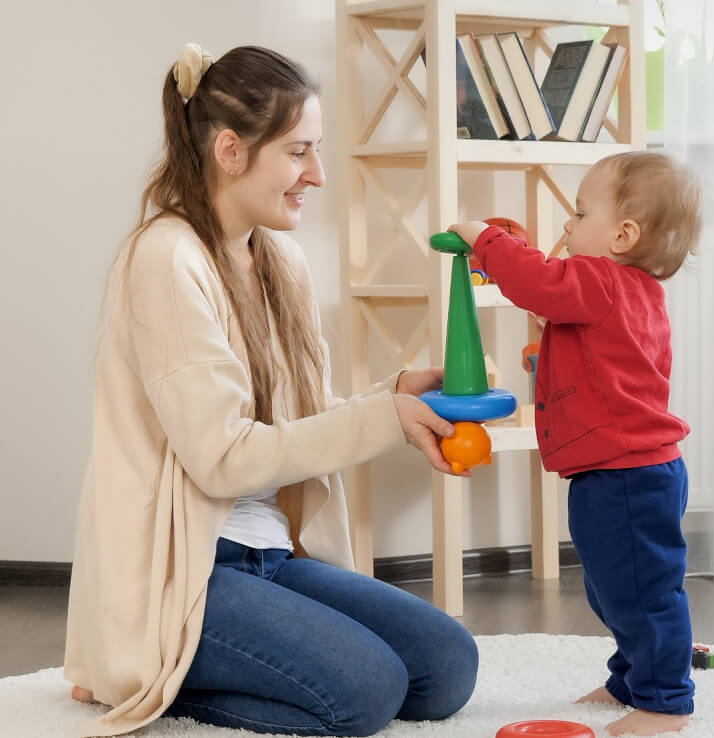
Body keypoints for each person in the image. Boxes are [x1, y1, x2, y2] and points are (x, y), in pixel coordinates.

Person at [64, 43, 478, 737]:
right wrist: (385, 417)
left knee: (445, 663)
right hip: (191, 573)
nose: (316, 174)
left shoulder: (274, 257)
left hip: (272, 555)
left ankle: (209, 663)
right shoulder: (166, 260)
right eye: (298, 152)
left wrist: (397, 394)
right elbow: (224, 457)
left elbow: (295, 426)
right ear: (231, 150)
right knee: (368, 692)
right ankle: (135, 673)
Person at [450, 150, 701, 737]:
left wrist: (484, 240)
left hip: (627, 476)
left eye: (580, 212)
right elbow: (609, 359)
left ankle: (666, 701)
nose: (568, 224)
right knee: (614, 588)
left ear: (622, 234)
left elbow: (538, 281)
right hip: (620, 472)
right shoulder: (632, 291)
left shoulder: (598, 279)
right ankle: (629, 679)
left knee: (642, 593)